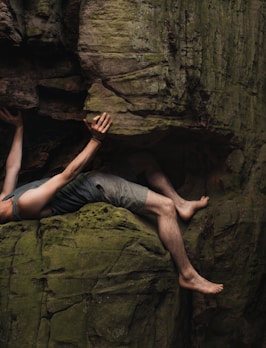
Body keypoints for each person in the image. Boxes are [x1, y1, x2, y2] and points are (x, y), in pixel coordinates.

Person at [0, 107, 223, 295]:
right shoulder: (24, 204)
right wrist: (96, 139)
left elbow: (13, 168)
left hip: (95, 177)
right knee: (164, 208)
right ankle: (187, 274)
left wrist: (19, 127)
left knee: (144, 160)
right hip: (99, 187)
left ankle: (182, 204)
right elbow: (67, 176)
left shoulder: (5, 200)